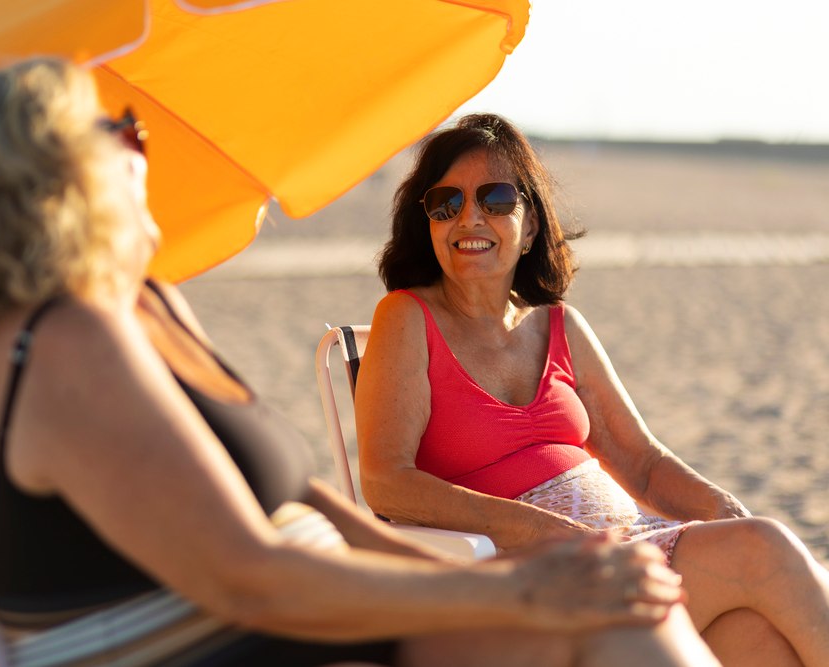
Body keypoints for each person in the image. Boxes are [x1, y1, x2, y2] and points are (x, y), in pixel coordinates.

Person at [0, 57, 722, 667]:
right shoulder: (65, 346)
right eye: (118, 129)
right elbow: (252, 578)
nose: (143, 144)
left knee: (626, 615)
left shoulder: (140, 307)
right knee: (615, 626)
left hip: (303, 617)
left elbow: (308, 499)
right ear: (56, 185)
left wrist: (500, 574)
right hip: (241, 634)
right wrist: (518, 593)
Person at [354, 112, 829, 667]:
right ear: (429, 223)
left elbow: (645, 464)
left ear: (530, 225)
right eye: (447, 203)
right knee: (764, 549)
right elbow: (387, 481)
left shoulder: (559, 326)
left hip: (630, 540)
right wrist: (537, 529)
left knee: (758, 637)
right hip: (541, 571)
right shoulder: (406, 318)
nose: (469, 217)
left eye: (496, 198)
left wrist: (725, 509)